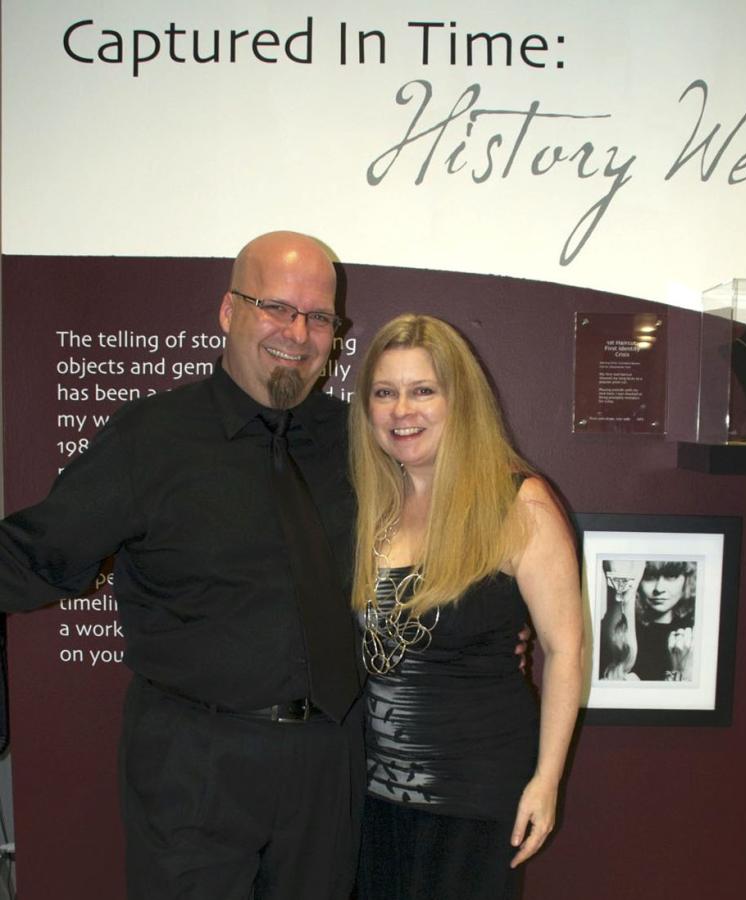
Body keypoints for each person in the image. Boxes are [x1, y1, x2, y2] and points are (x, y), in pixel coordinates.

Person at [0, 232, 364, 899]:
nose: (299, 332)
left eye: (319, 317)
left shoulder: (355, 441)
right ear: (229, 311)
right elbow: (32, 553)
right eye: (277, 307)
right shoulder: (149, 440)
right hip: (195, 766)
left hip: (328, 764)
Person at [348, 314, 584, 899]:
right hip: (372, 801)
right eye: (385, 392)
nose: (403, 410)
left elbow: (565, 649)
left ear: (461, 400)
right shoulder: (372, 503)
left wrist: (547, 781)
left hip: (474, 802)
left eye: (423, 390)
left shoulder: (518, 504)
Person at [599, 559, 696, 682]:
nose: (659, 588)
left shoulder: (695, 632)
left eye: (671, 575)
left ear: (687, 580)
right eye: (650, 576)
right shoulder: (616, 630)